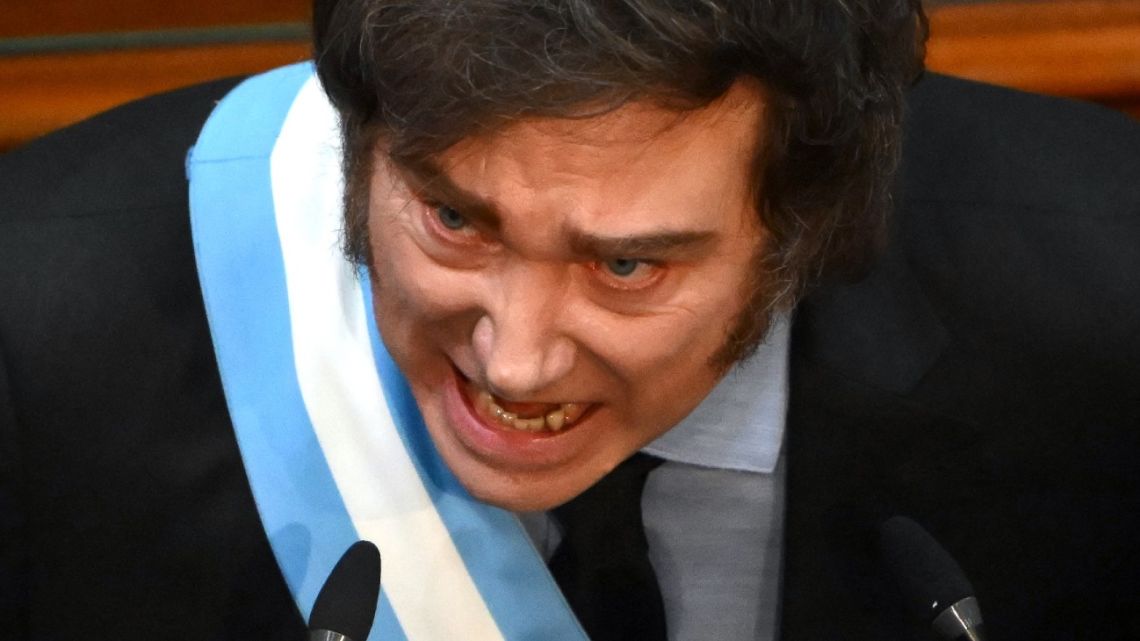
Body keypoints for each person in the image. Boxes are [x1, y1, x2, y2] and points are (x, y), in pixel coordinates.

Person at [2, 0, 1138, 639]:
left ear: (806, 227)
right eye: (454, 217)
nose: (516, 356)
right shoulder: (37, 324)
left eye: (629, 264)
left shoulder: (1105, 310)